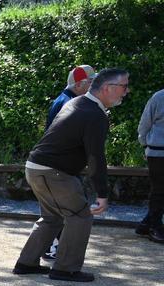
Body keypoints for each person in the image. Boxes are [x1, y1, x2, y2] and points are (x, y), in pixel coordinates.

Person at [14, 68, 131, 282]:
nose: (126, 91)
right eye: (124, 86)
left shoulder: (77, 103)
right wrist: (102, 193)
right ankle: (65, 269)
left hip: (37, 167)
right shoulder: (93, 114)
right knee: (80, 216)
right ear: (107, 88)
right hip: (53, 172)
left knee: (52, 217)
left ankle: (26, 263)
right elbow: (95, 157)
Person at [43, 64, 96, 261]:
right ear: (81, 84)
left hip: (59, 164)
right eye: (91, 82)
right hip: (59, 165)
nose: (93, 86)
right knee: (66, 209)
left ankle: (53, 246)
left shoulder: (68, 100)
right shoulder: (66, 103)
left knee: (62, 209)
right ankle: (54, 247)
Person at [137, 86, 164, 243]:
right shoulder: (158, 97)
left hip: (156, 150)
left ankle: (146, 223)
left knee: (160, 190)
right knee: (159, 190)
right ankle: (154, 226)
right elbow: (145, 122)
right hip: (158, 152)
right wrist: (145, 143)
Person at [47, 65, 96, 130]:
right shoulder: (68, 103)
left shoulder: (66, 98)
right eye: (90, 82)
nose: (94, 85)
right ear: (78, 85)